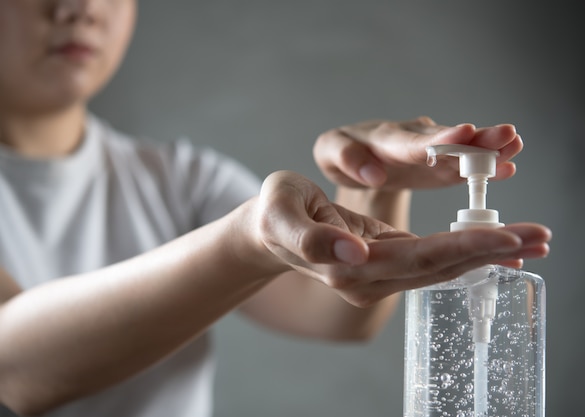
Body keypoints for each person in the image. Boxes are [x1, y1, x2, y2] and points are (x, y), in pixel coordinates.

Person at [0, 1, 551, 416]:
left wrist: (371, 180)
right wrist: (243, 242)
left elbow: (329, 308)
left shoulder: (177, 177)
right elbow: (17, 370)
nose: (81, 8)